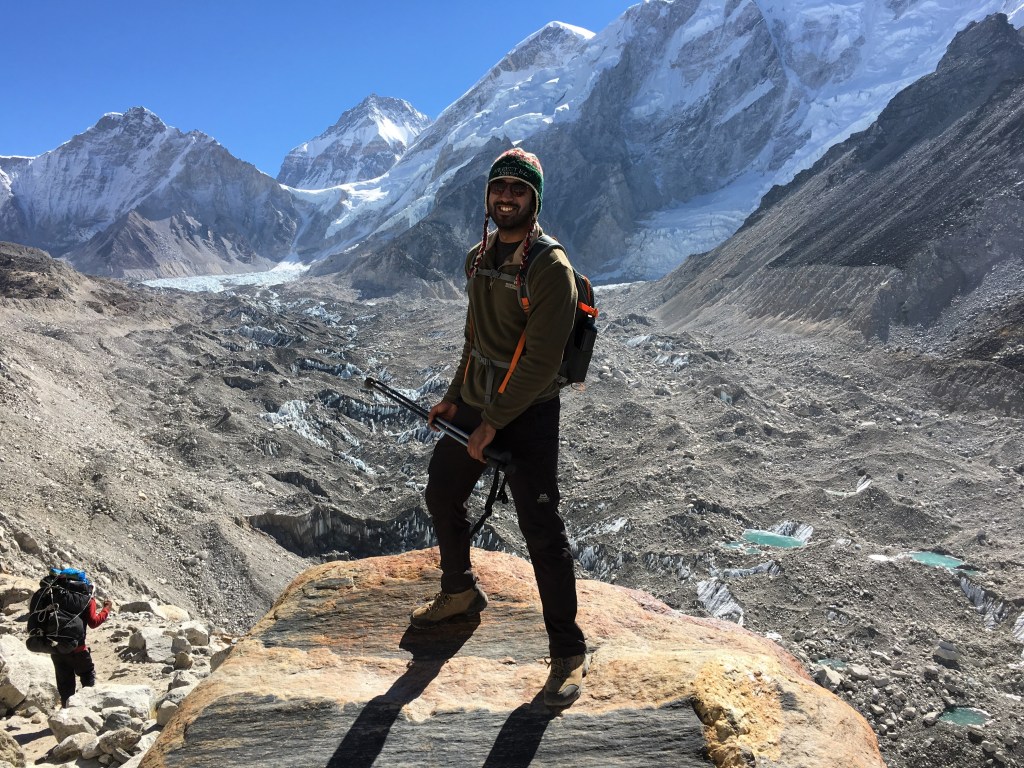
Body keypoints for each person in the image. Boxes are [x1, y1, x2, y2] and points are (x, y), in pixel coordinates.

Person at [411, 148, 589, 707]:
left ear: (535, 201)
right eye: (498, 188)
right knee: (442, 491)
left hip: (529, 411)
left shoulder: (549, 268)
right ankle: (460, 592)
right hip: (479, 400)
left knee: (541, 527)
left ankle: (568, 650)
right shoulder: (479, 258)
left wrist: (490, 425)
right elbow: (475, 336)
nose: (506, 197)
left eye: (518, 189)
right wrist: (452, 397)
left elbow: (540, 362)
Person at [28, 568, 113, 707]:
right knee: (87, 677)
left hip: (56, 648)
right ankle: (87, 710)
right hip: (78, 649)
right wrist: (106, 609)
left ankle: (65, 713)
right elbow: (93, 622)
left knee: (65, 686)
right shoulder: (86, 598)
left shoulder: (52, 594)